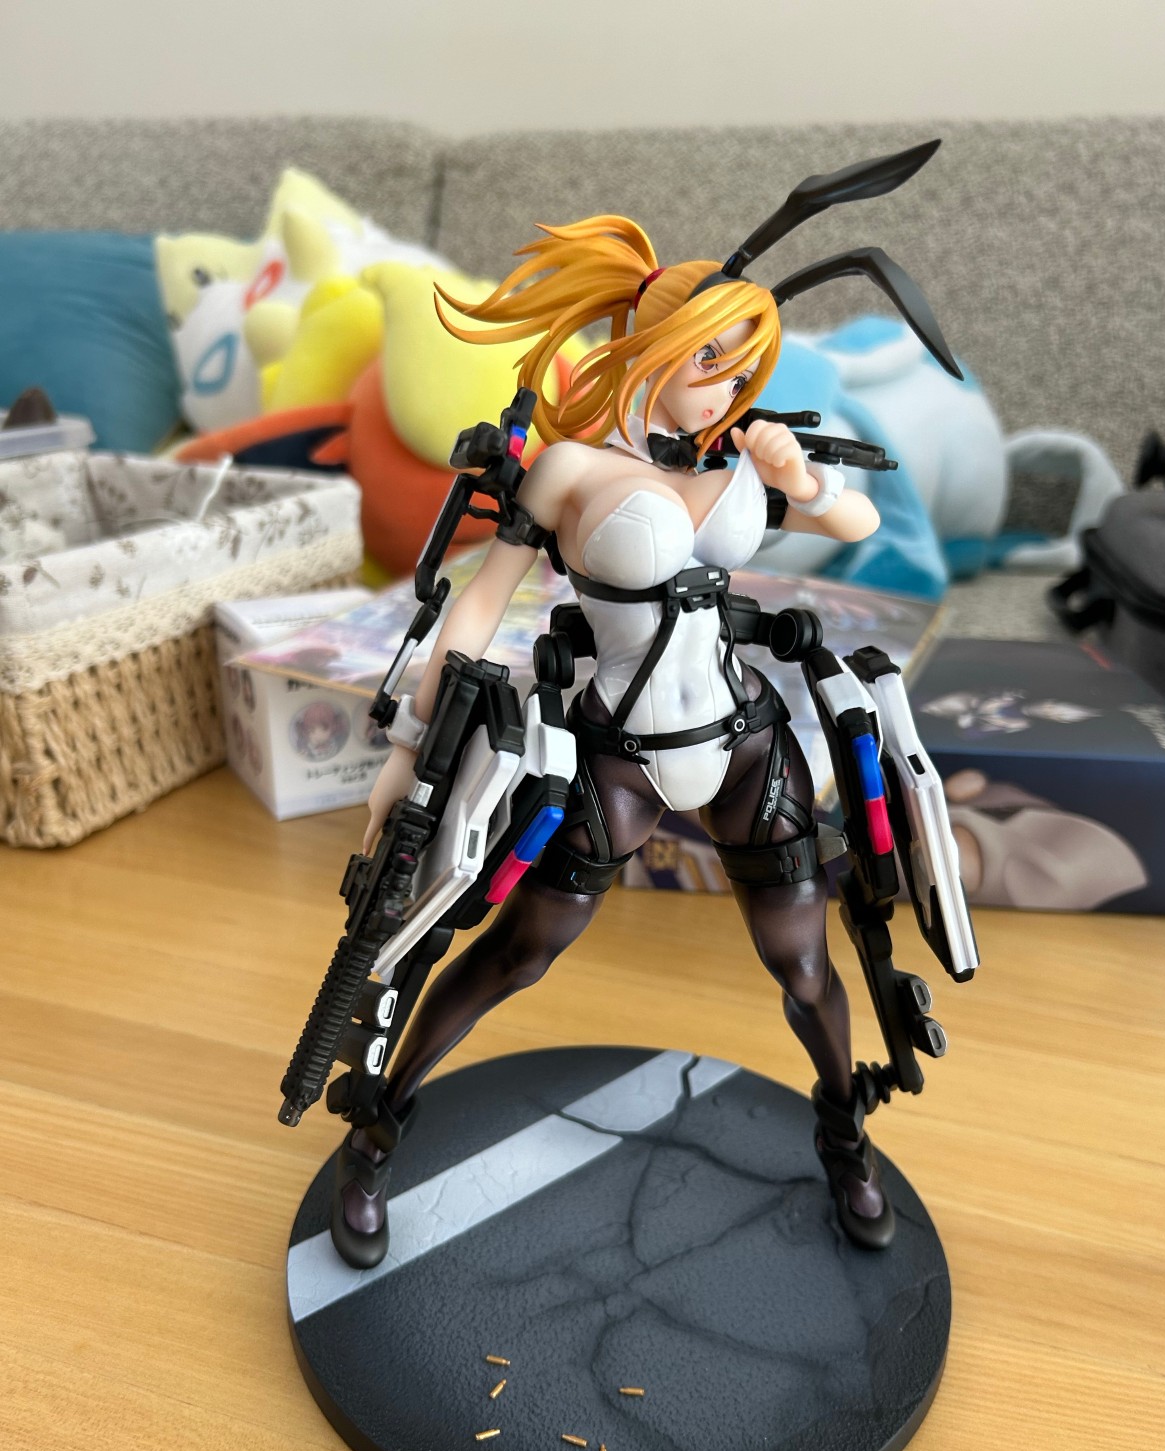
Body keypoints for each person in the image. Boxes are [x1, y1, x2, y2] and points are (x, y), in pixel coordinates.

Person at [327, 202, 919, 1269]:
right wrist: (410, 749)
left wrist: (798, 481)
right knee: (518, 951)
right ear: (653, 347)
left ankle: (845, 1136)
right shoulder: (568, 471)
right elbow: (477, 606)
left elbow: (859, 524)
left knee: (804, 964)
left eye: (744, 368)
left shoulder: (742, 459)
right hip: (615, 756)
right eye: (711, 361)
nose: (728, 389)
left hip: (745, 739)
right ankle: (375, 1133)